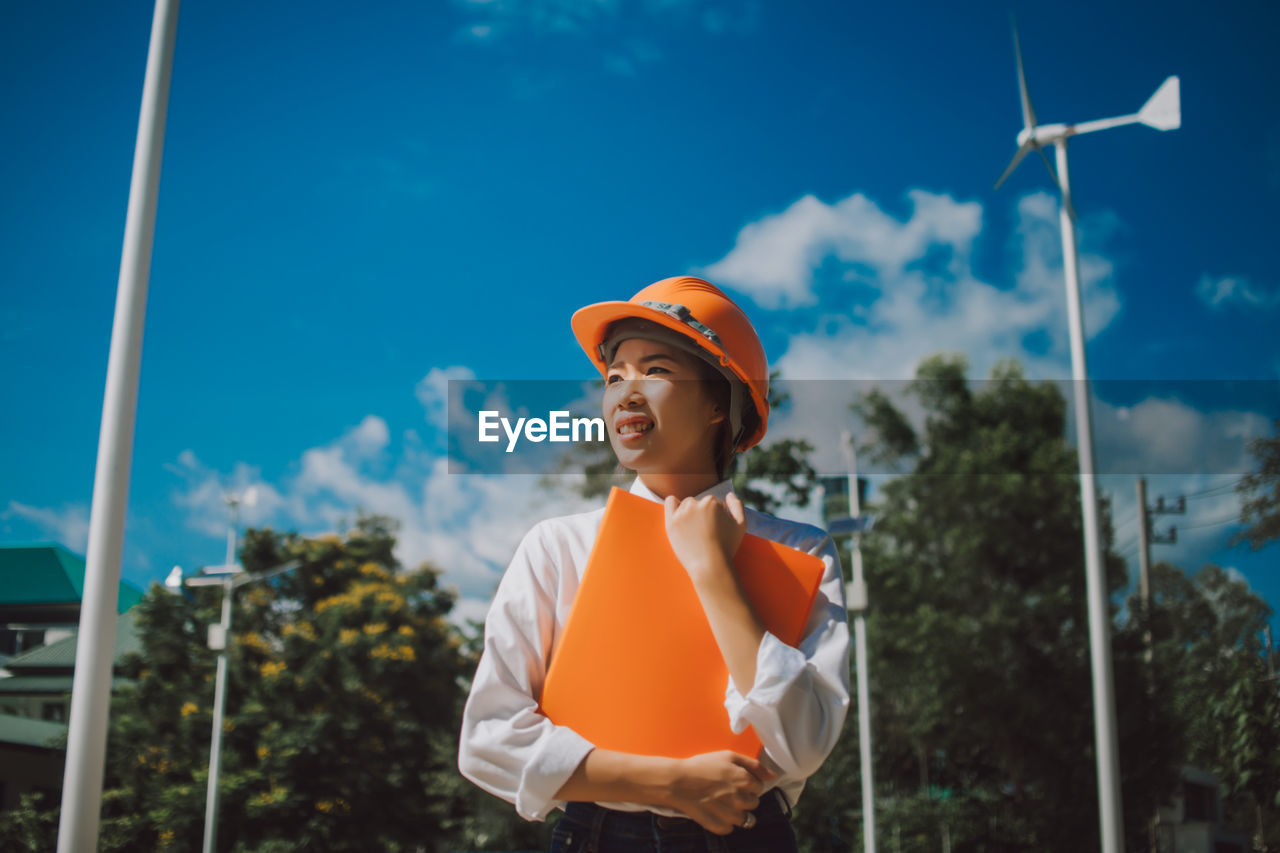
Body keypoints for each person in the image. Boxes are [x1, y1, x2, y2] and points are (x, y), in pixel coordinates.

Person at [458, 275, 850, 852]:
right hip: (596, 835)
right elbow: (488, 740)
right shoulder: (558, 545)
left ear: (721, 400)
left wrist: (713, 570)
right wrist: (674, 784)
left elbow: (805, 743)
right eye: (615, 376)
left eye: (657, 371)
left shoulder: (802, 552)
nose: (626, 393)